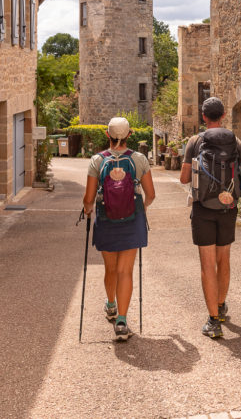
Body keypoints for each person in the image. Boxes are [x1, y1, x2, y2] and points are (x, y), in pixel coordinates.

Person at [179, 97, 241, 338]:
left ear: (204, 117)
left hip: (202, 208)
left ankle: (213, 321)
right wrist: (231, 189)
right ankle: (221, 306)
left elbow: (183, 178)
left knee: (207, 265)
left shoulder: (195, 141)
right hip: (228, 207)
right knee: (224, 260)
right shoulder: (234, 141)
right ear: (223, 116)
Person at [82, 116, 156, 341]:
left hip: (106, 220)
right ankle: (122, 322)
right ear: (130, 135)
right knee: (126, 271)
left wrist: (87, 211)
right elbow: (151, 195)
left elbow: (88, 198)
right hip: (132, 221)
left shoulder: (97, 160)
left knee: (110, 269)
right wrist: (140, 208)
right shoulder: (139, 159)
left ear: (107, 135)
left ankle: (111, 306)